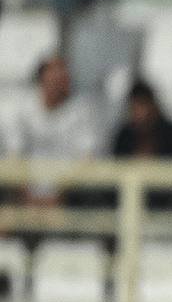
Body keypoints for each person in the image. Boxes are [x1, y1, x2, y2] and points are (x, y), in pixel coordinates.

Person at [3, 56, 101, 205]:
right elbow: (14, 154)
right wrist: (26, 195)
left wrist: (61, 196)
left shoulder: (82, 111)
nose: (61, 83)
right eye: (55, 78)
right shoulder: (22, 109)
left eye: (64, 77)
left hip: (68, 198)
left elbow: (87, 159)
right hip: (24, 197)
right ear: (42, 80)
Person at [111, 81, 172, 210]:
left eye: (142, 106)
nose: (139, 113)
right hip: (134, 209)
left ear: (153, 106)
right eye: (134, 108)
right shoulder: (124, 138)